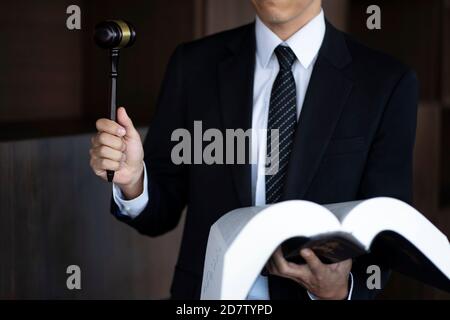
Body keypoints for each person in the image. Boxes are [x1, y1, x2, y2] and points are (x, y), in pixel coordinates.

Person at [89, 0, 418, 299]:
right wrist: (133, 181)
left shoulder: (386, 83)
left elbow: (387, 230)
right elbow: (161, 211)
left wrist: (343, 290)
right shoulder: (193, 65)